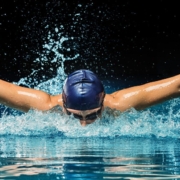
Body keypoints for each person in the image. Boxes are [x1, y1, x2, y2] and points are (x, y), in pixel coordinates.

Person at [0, 69, 180, 126]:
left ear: (103, 102)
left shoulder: (120, 104)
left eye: (93, 115)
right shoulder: (44, 106)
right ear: (63, 104)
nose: (83, 125)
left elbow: (176, 85)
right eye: (74, 116)